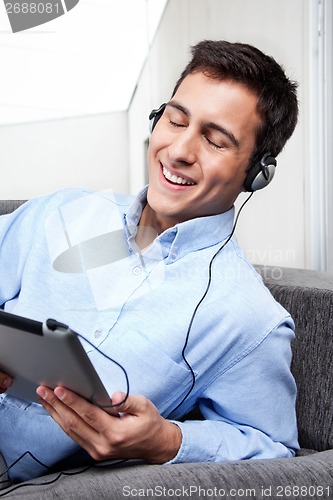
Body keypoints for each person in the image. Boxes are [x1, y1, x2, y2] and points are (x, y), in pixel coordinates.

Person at [0, 40, 299, 484]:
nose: (179, 150)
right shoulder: (60, 212)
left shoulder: (249, 319)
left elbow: (276, 452)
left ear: (256, 173)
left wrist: (167, 441)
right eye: (175, 120)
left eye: (216, 141)